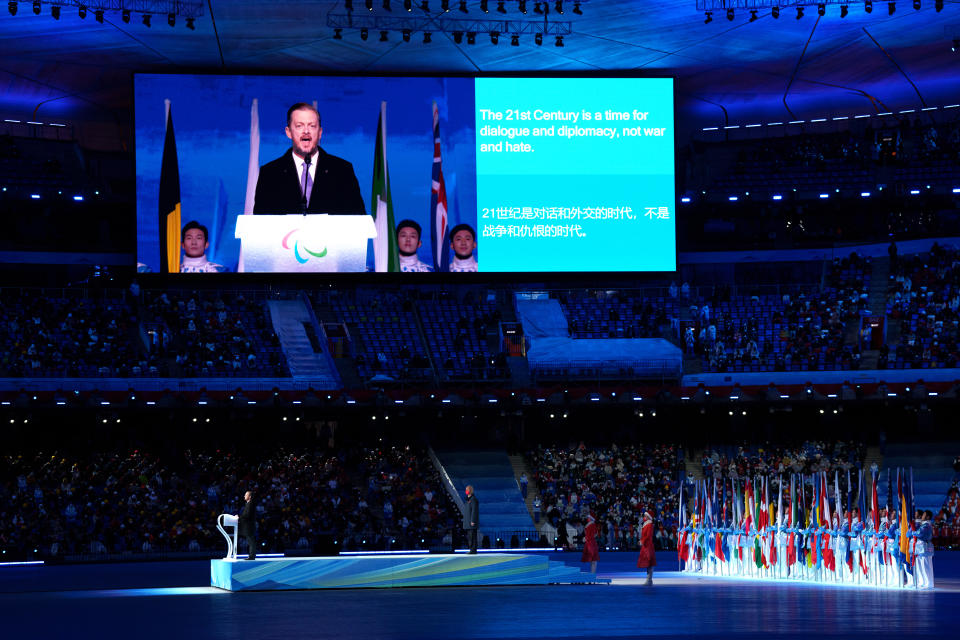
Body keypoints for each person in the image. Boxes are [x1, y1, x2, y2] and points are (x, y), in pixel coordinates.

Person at [253, 102, 365, 215]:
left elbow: (359, 221)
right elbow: (261, 224)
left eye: (312, 126)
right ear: (288, 132)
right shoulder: (269, 173)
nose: (306, 131)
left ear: (320, 132)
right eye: (299, 126)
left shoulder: (343, 171)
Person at [636, 510, 656, 585]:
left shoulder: (650, 525)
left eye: (645, 516)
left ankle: (649, 580)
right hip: (645, 545)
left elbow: (648, 536)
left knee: (649, 562)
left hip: (648, 545)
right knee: (648, 563)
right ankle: (649, 579)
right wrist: (641, 540)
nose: (644, 517)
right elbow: (644, 535)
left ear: (648, 517)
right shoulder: (645, 524)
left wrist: (642, 541)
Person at [238, 490, 257, 560]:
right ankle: (251, 556)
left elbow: (247, 515)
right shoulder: (248, 504)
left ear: (250, 497)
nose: (244, 496)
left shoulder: (250, 504)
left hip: (249, 526)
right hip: (248, 526)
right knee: (250, 541)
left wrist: (239, 517)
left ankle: (252, 556)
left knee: (251, 541)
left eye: (246, 495)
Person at [463, 484, 479, 554]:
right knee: (469, 537)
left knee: (472, 537)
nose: (466, 491)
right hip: (467, 521)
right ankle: (471, 549)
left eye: (467, 489)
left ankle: (473, 550)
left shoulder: (473, 499)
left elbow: (474, 511)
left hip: (471, 522)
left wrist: (473, 520)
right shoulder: (468, 500)